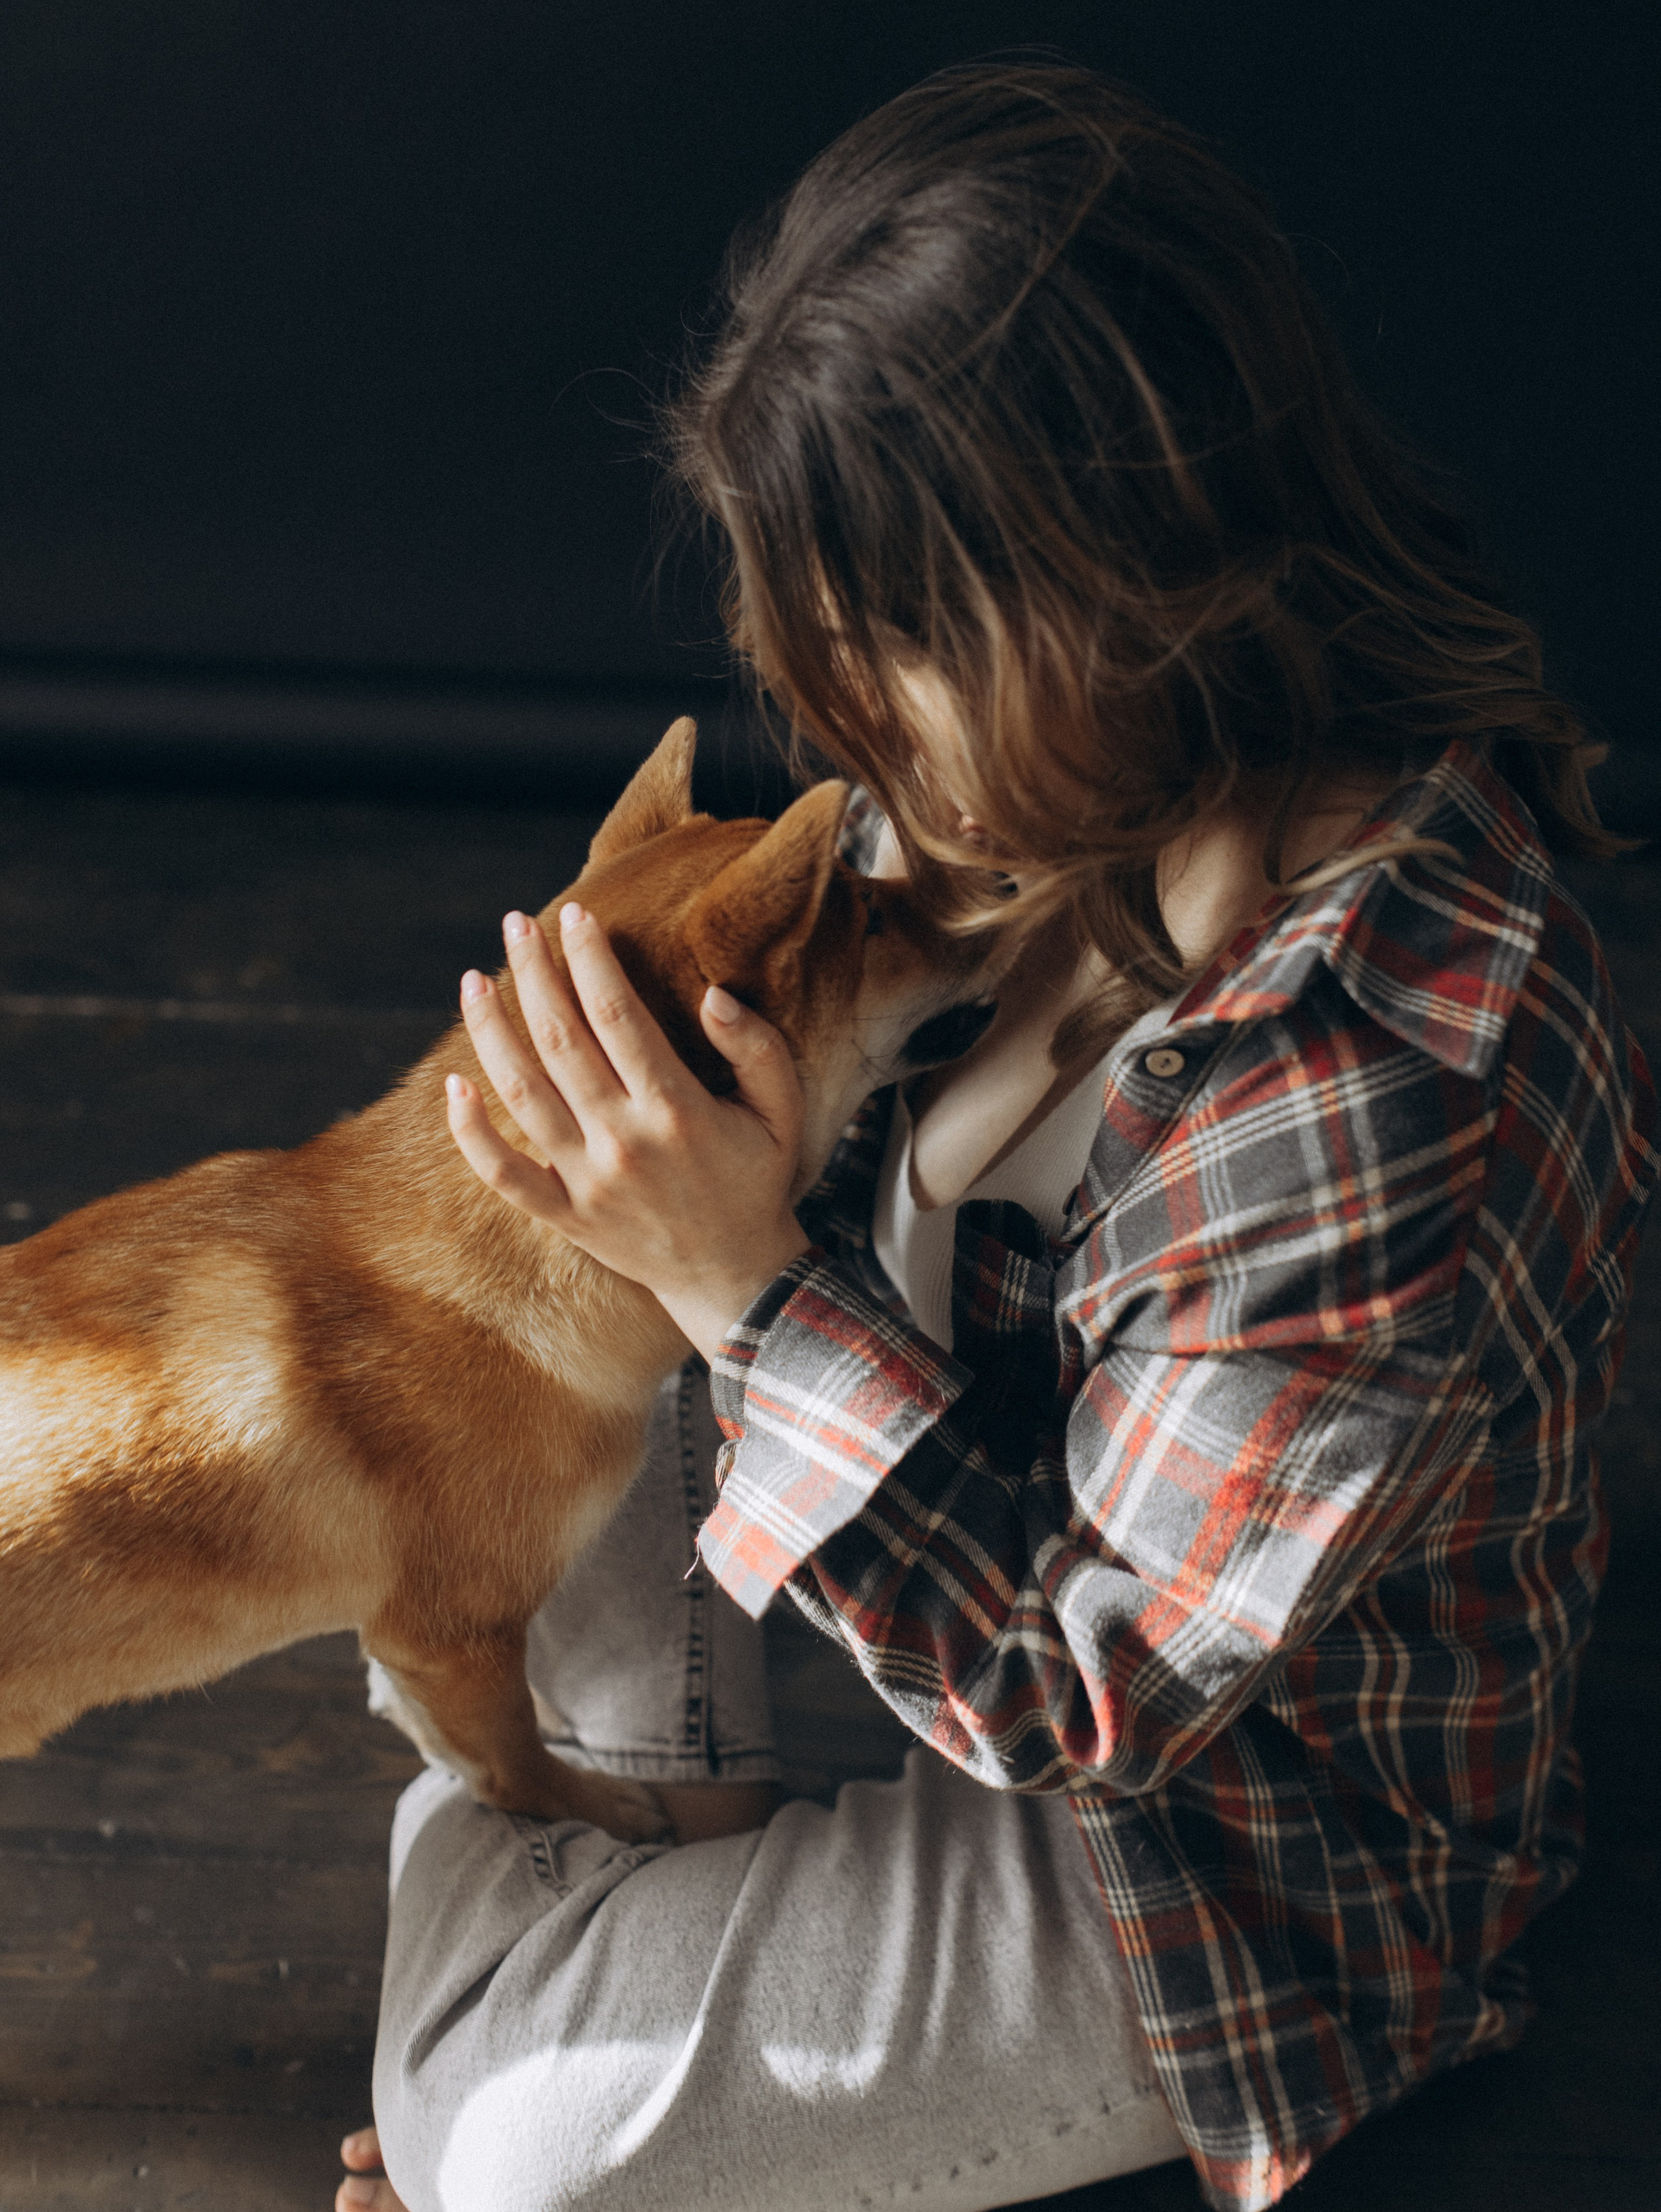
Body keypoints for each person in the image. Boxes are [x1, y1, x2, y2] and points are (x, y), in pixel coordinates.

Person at [335, 64, 1655, 2212]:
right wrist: (642, 1161)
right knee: (546, 1243)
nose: (851, 745)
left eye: (897, 655)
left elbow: (1098, 1693)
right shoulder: (1022, 809)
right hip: (927, 1570)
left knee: (514, 2162)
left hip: (1205, 1843)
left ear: (1120, 569)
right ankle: (583, 1907)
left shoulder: (1395, 1066)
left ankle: (537, 1918)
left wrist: (741, 1279)